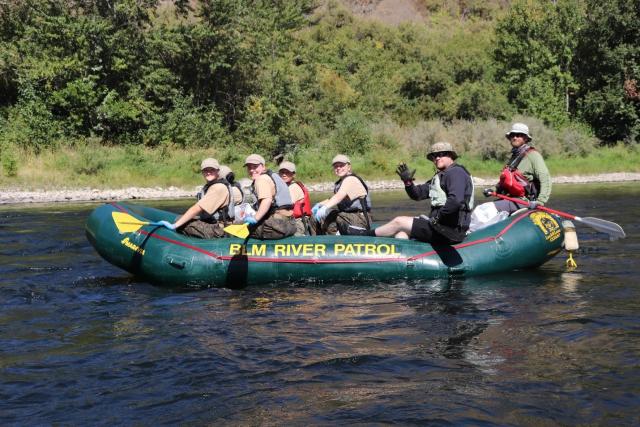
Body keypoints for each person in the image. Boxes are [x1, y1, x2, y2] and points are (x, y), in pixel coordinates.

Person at [348, 142, 474, 245]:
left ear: (451, 156)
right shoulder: (441, 177)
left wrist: (438, 218)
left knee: (399, 221)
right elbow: (418, 194)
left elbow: (456, 201)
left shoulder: (456, 173)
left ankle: (364, 235)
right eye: (434, 156)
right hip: (440, 228)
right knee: (401, 234)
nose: (436, 158)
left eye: (441, 154)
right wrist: (408, 182)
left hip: (450, 231)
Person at [157, 158, 240, 238]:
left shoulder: (218, 188)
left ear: (218, 171)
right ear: (202, 172)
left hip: (221, 230)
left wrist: (174, 226)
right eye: (206, 170)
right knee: (182, 218)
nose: (208, 172)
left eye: (212, 170)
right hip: (219, 225)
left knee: (180, 221)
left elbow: (196, 209)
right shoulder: (214, 185)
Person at [484, 122, 551, 213]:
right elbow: (504, 182)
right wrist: (492, 189)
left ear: (526, 138)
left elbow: (545, 179)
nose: (515, 137)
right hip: (511, 199)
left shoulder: (533, 156)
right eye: (513, 135)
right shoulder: (514, 157)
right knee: (485, 209)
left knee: (484, 210)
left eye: (519, 135)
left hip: (524, 202)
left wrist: (540, 202)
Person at [310, 154, 371, 235]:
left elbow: (339, 196)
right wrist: (319, 205)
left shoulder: (351, 179)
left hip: (359, 219)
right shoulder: (340, 182)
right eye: (336, 166)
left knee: (334, 215)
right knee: (315, 217)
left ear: (349, 167)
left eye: (341, 165)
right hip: (347, 217)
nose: (338, 168)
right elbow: (333, 198)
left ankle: (335, 238)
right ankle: (318, 241)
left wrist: (325, 208)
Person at [242, 154, 297, 240]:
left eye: (255, 166)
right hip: (291, 225)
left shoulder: (261, 179)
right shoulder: (275, 176)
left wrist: (255, 218)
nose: (252, 170)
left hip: (276, 228)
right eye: (249, 167)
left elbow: (267, 200)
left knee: (237, 226)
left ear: (263, 166)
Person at [278, 161, 312, 236]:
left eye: (287, 172)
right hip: (288, 220)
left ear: (293, 174)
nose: (284, 174)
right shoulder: (283, 187)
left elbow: (285, 206)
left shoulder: (293, 187)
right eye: (282, 172)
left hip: (297, 223)